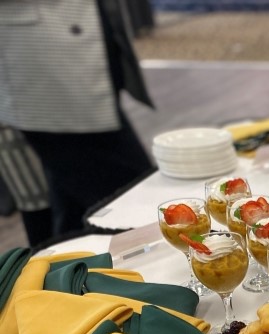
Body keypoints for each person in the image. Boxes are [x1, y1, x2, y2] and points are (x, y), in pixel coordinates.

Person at [0, 0, 156, 241]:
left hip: (78, 59)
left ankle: (58, 274)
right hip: (45, 71)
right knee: (135, 204)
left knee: (73, 213)